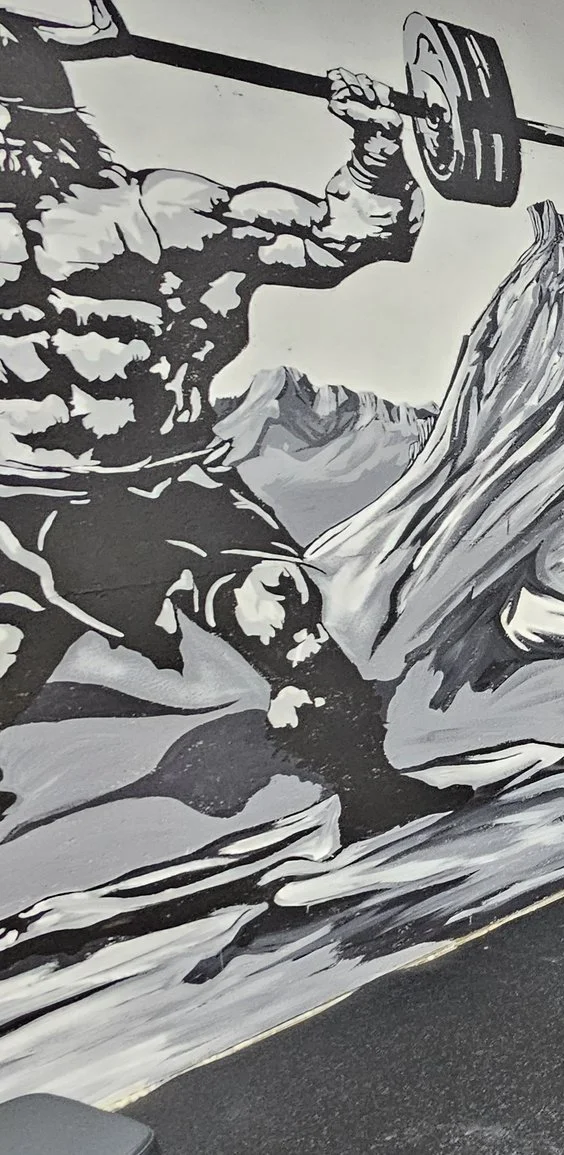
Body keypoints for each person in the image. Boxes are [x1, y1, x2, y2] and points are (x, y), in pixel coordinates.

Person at [0, 2, 461, 838]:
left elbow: (342, 239)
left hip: (166, 485)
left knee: (280, 615)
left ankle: (373, 797)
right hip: (15, 502)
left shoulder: (164, 212)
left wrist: (377, 149)